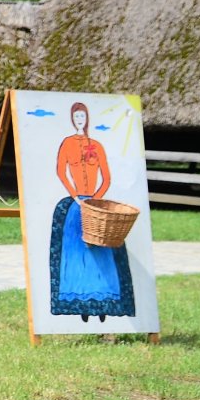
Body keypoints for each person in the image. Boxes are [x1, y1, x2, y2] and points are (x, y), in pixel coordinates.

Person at [50, 101, 134, 321]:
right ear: (72, 119)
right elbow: (61, 171)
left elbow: (106, 177)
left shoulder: (96, 145)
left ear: (87, 119)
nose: (80, 121)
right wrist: (76, 197)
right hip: (76, 204)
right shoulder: (67, 143)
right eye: (76, 117)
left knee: (101, 250)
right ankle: (79, 300)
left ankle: (106, 298)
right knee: (76, 250)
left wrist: (95, 199)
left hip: (95, 205)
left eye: (82, 117)